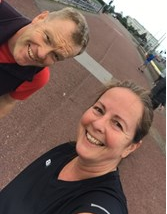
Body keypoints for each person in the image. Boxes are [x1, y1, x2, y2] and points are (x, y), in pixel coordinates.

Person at [0, 80, 154, 214]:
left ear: (130, 147)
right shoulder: (67, 150)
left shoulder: (105, 204)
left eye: (118, 124)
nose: (98, 124)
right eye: (99, 109)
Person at [0, 0, 89, 118]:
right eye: (47, 38)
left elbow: (7, 101)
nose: (42, 54)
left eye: (56, 56)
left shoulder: (38, 78)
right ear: (40, 18)